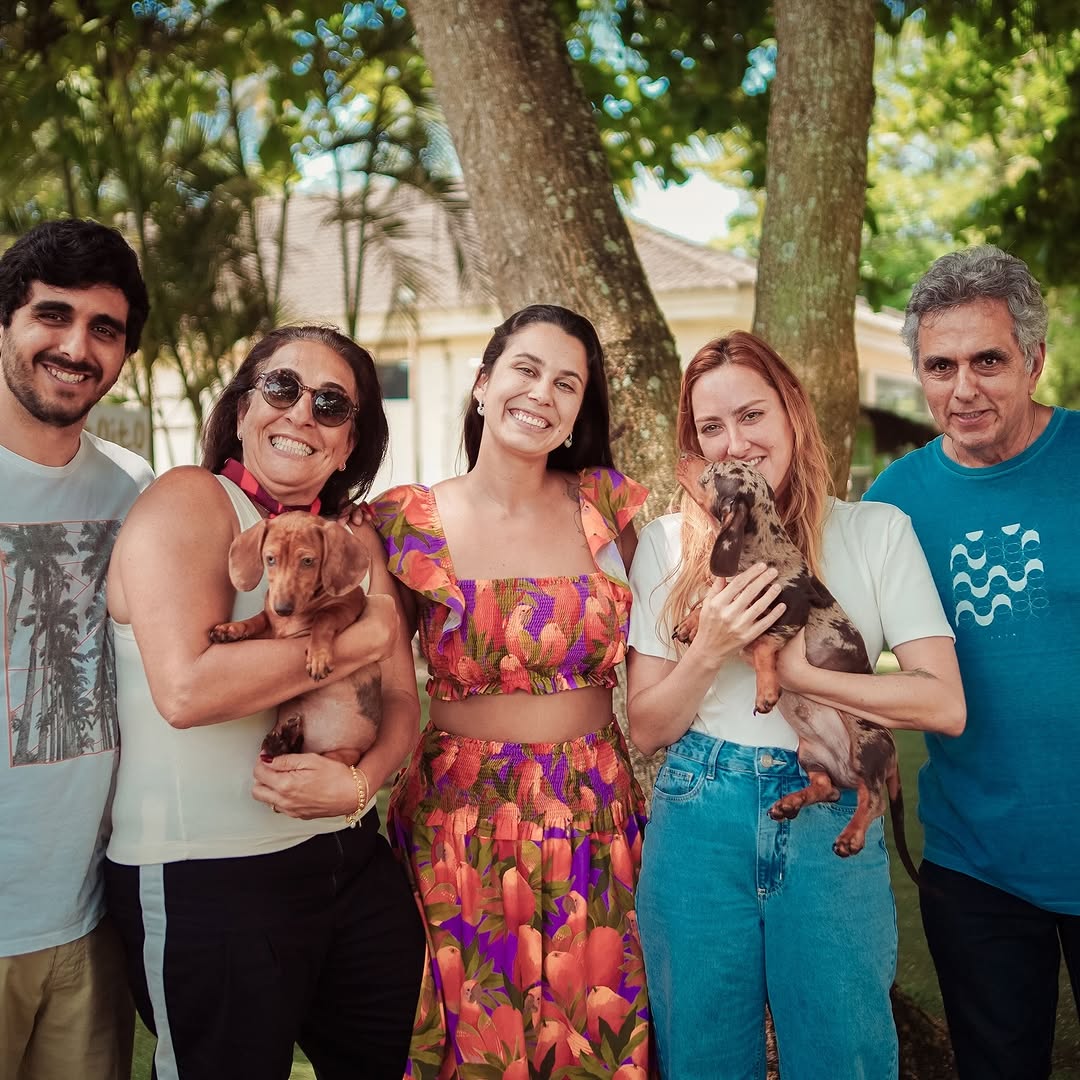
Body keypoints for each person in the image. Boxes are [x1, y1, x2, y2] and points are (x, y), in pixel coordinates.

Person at [627, 330, 966, 1079]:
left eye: (751, 415)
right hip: (698, 807)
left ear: (793, 415)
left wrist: (796, 673)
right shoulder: (666, 547)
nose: (734, 443)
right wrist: (711, 645)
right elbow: (648, 727)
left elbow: (943, 704)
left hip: (828, 804)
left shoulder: (876, 533)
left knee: (840, 1053)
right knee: (704, 1057)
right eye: (711, 428)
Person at [103, 325, 425, 1079]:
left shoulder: (352, 541)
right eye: (282, 388)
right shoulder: (193, 500)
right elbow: (185, 690)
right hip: (208, 878)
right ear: (245, 408)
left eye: (332, 404)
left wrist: (359, 780)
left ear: (350, 444)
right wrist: (357, 638)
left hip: (350, 858)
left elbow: (403, 701)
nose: (302, 413)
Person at [371, 304, 653, 1078]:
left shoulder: (609, 506)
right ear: (484, 382)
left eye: (567, 383)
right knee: (471, 1043)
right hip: (456, 825)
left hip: (595, 815)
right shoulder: (405, 523)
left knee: (594, 1040)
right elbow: (373, 674)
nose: (542, 393)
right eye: (526, 369)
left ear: (576, 413)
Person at [865, 245, 1080, 1080]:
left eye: (987, 360)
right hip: (975, 866)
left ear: (1033, 359)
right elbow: (839, 642)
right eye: (939, 365)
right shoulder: (893, 504)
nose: (963, 389)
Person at [0, 218, 151, 1080]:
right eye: (51, 316)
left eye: (104, 328)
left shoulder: (135, 489)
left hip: (91, 914)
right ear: (7, 323)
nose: (75, 346)